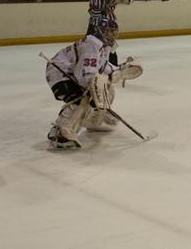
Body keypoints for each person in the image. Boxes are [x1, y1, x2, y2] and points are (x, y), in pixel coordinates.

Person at [44, 18, 143, 150]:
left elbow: (103, 67)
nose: (113, 35)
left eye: (114, 32)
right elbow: (84, 73)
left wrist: (121, 69)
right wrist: (92, 92)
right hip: (58, 74)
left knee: (105, 89)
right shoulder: (92, 44)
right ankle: (60, 133)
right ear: (102, 31)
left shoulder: (102, 46)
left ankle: (94, 120)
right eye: (110, 32)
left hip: (69, 72)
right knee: (80, 99)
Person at [87, 0, 131, 66]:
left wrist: (107, 8)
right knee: (90, 47)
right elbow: (92, 12)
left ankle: (113, 67)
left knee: (111, 49)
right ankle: (92, 67)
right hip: (94, 27)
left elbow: (110, 10)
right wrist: (104, 10)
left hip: (107, 28)